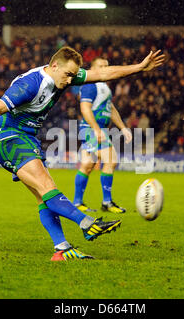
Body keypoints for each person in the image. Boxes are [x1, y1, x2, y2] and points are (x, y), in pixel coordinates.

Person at [0, 46, 165, 260]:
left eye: (73, 76)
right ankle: (87, 223)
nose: (70, 81)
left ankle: (62, 249)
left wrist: (138, 67)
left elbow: (103, 73)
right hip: (11, 140)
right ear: (55, 65)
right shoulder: (30, 84)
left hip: (28, 139)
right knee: (49, 188)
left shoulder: (64, 76)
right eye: (67, 75)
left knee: (43, 197)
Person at [73, 57, 133, 214]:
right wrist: (96, 129)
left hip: (98, 129)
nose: (105, 68)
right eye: (101, 66)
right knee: (111, 160)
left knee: (87, 165)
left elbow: (111, 109)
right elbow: (85, 109)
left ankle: (77, 203)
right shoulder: (90, 85)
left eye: (107, 66)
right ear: (92, 69)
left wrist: (123, 128)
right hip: (92, 129)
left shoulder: (104, 87)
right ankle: (106, 202)